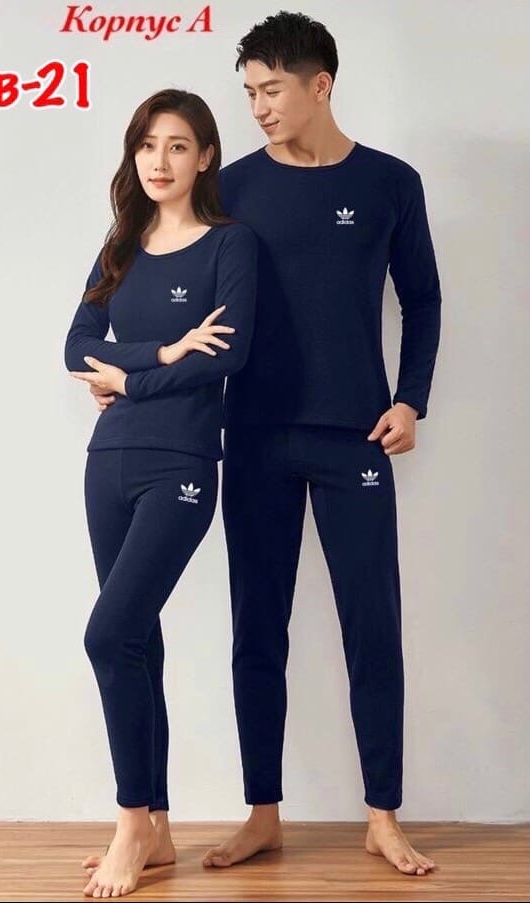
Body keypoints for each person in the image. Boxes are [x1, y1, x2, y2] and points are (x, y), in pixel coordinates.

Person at [84, 9, 440, 883]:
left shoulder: (391, 182)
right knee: (257, 628)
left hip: (356, 434)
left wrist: (410, 399)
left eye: (271, 90)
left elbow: (422, 298)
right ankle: (262, 813)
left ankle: (383, 817)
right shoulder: (230, 191)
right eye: (247, 92)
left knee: (372, 624)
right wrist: (139, 367)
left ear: (320, 85)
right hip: (250, 436)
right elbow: (167, 278)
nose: (258, 107)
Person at [64, 88, 257, 898]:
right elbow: (77, 347)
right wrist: (165, 351)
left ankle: (129, 820)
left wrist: (130, 374)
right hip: (106, 462)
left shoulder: (230, 244)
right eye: (147, 144)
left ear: (205, 157)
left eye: (177, 145)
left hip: (179, 463)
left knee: (107, 635)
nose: (159, 160)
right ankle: (162, 827)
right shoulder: (122, 243)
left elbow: (229, 354)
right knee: (136, 639)